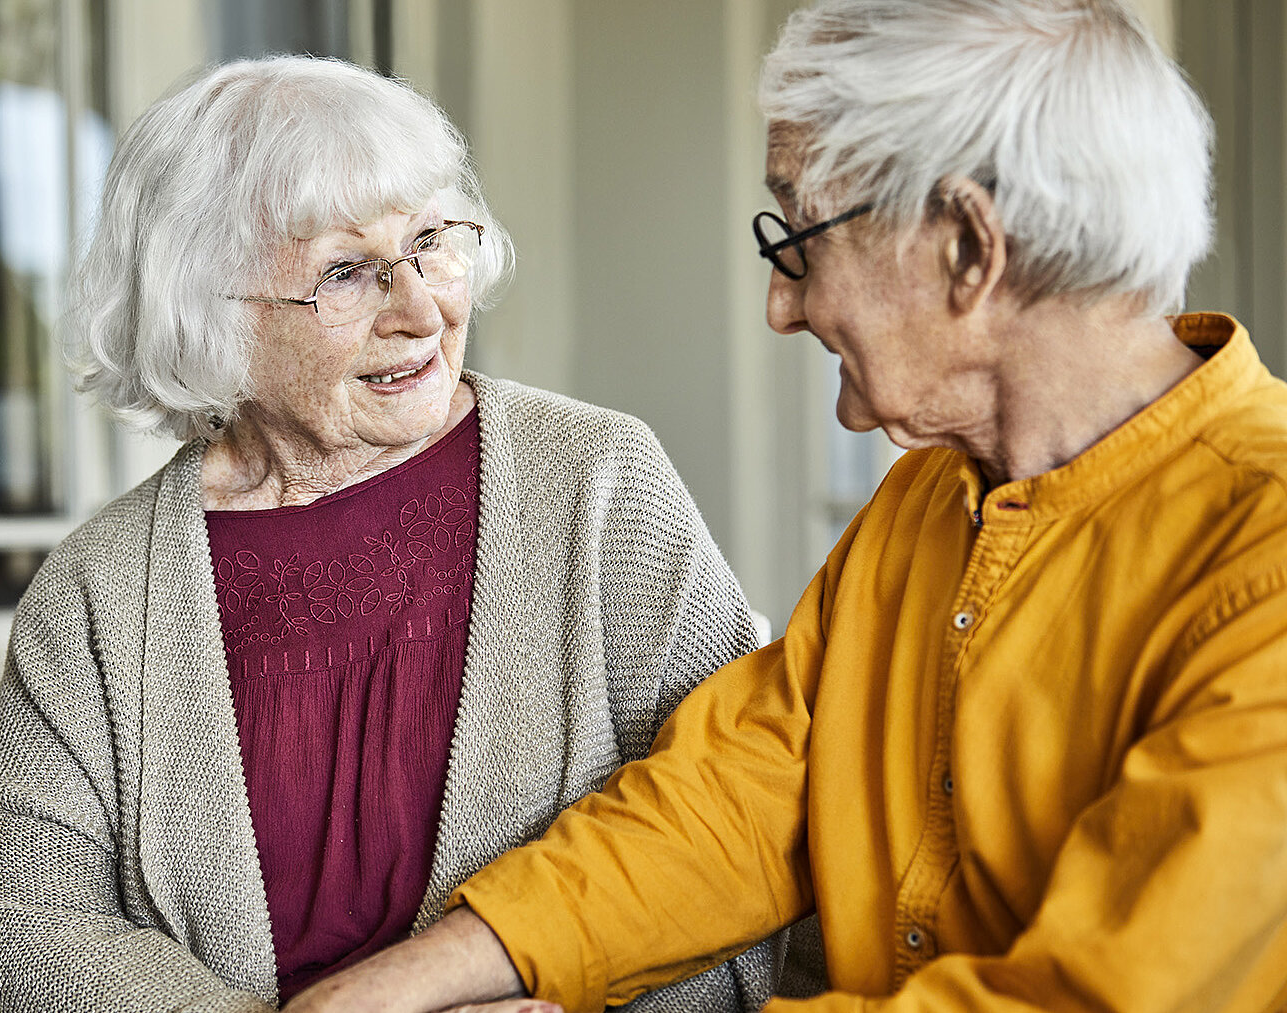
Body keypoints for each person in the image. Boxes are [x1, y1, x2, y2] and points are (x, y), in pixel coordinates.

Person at [282, 2, 1287, 1011]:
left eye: (800, 232)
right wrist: (387, 989)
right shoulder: (928, 498)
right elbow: (745, 795)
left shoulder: (1266, 553)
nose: (781, 303)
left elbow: (1097, 996)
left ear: (968, 248)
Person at [0, 56, 780, 1012]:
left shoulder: (597, 482)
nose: (423, 310)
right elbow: (26, 915)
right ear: (205, 314)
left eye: (432, 242)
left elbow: (736, 825)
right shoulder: (97, 592)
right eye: (345, 274)